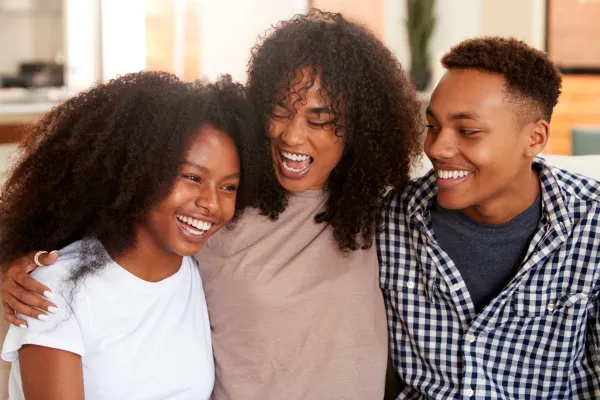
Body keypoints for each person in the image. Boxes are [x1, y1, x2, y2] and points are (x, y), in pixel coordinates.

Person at [0, 9, 423, 399]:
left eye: (319, 119)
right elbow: (108, 238)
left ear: (362, 126)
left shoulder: (382, 215)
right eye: (279, 110)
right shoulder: (220, 213)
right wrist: (14, 264)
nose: (292, 136)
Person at [0, 71, 262, 400]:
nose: (211, 202)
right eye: (192, 177)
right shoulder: (53, 289)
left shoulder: (197, 273)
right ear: (139, 171)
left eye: (228, 186)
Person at [380, 36, 600, 399]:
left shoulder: (591, 223)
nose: (436, 147)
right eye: (433, 126)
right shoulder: (394, 221)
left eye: (467, 131)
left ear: (535, 137)